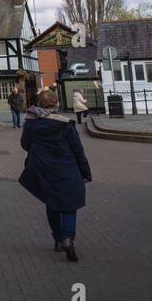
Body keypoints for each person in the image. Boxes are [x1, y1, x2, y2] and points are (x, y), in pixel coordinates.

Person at [18, 88, 92, 261]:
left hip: (43, 168)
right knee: (70, 204)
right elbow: (77, 150)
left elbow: (24, 144)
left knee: (51, 202)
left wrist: (38, 151)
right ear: (55, 104)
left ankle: (58, 239)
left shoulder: (31, 123)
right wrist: (86, 172)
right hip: (66, 167)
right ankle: (67, 238)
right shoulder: (65, 124)